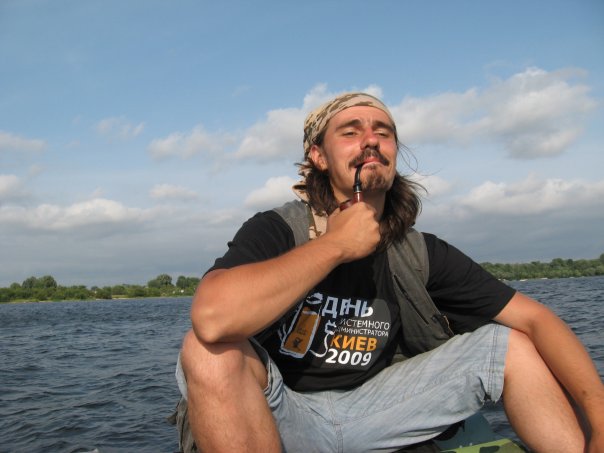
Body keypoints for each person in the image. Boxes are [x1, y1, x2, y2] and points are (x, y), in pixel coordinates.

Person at [175, 92, 603, 453]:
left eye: (383, 132)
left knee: (508, 344)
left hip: (379, 410)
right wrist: (335, 245)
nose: (370, 140)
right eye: (350, 132)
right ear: (318, 156)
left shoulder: (417, 251)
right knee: (207, 352)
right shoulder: (277, 229)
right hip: (286, 414)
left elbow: (537, 319)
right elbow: (212, 318)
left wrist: (600, 420)